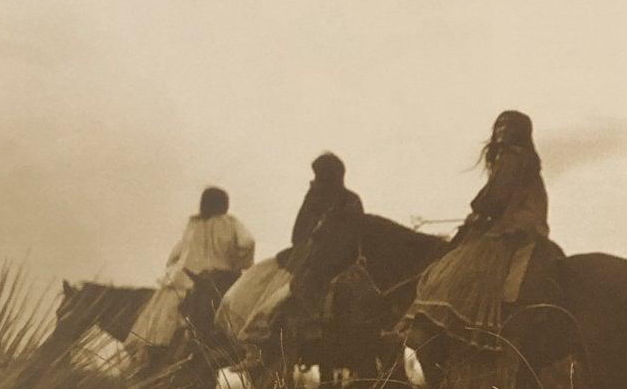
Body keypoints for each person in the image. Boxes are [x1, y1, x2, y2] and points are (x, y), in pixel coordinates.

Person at [399, 110, 564, 350]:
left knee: (460, 264)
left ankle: (462, 324)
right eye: (499, 127)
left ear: (519, 133)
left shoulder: (512, 157)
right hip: (522, 222)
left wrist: (479, 211)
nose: (501, 132)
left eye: (508, 127)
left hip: (513, 225)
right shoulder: (524, 159)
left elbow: (496, 196)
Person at [230, 153, 363, 371]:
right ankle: (262, 343)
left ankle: (262, 341)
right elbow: (299, 233)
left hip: (338, 260)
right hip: (313, 258)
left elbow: (353, 234)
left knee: (282, 294)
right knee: (279, 296)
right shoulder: (326, 197)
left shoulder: (348, 200)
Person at [131, 186, 255, 351]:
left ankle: (171, 346)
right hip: (224, 278)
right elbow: (248, 242)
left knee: (169, 307)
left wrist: (181, 267)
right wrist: (238, 263)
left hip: (193, 278)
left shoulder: (194, 225)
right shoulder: (230, 222)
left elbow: (176, 254)